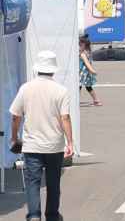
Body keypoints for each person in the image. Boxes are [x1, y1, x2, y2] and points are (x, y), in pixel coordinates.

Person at [9, 50, 74, 221]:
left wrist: (14, 137)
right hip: (54, 145)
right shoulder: (61, 90)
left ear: (37, 68)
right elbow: (65, 117)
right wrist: (70, 142)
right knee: (53, 183)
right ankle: (52, 215)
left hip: (32, 145)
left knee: (33, 183)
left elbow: (15, 116)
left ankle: (34, 216)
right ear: (53, 70)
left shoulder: (26, 88)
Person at [78, 35, 102, 106]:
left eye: (79, 45)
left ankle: (75, 100)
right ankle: (96, 100)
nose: (78, 47)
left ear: (83, 45)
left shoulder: (82, 54)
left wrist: (92, 71)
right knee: (88, 87)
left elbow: (87, 63)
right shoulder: (87, 52)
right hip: (86, 73)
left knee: (79, 87)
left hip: (82, 74)